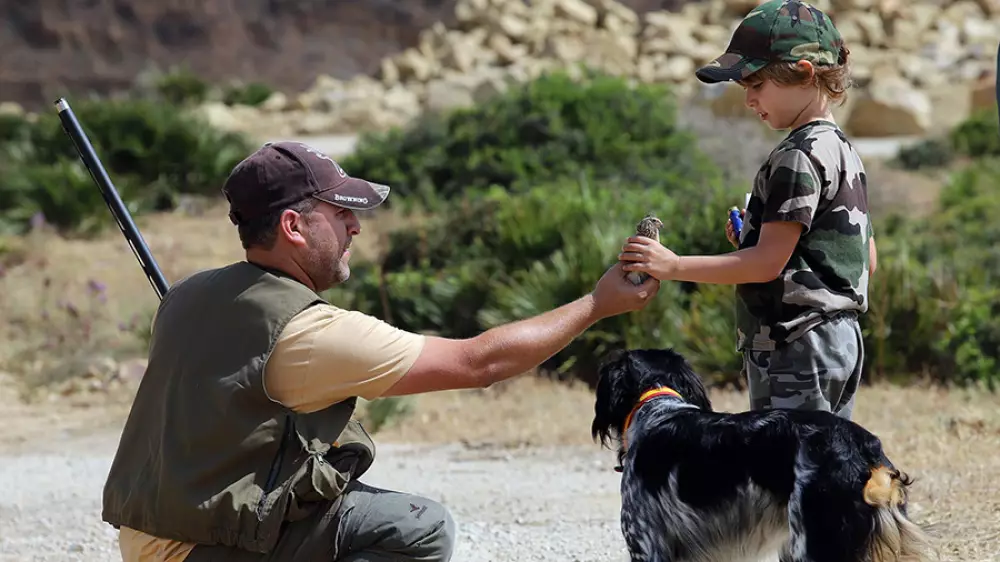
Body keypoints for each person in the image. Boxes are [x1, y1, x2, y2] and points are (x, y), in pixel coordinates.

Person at [100, 140, 659, 562]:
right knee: (419, 528)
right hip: (204, 548)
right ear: (294, 225)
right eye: (341, 212)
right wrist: (596, 304)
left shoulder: (189, 295)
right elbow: (479, 363)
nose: (355, 228)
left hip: (152, 539)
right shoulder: (311, 332)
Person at [617, 0, 877, 421]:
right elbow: (865, 258)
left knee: (785, 470)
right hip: (839, 341)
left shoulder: (797, 154)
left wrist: (672, 264)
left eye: (756, 85)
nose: (749, 100)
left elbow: (765, 265)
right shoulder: (843, 150)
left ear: (804, 73)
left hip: (796, 342)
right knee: (822, 470)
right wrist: (755, 238)